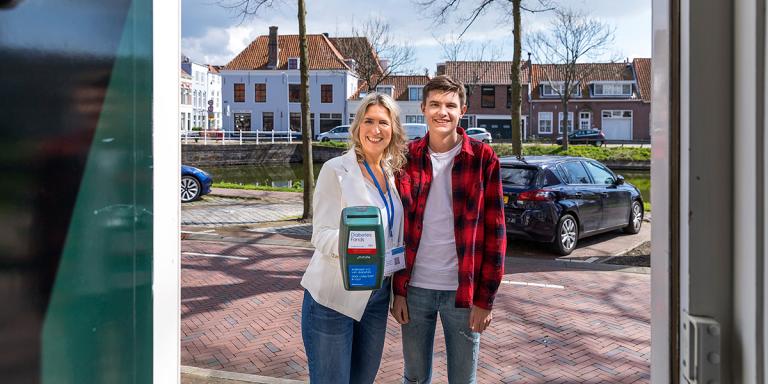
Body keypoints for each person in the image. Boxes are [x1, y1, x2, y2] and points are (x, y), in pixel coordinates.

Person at [391, 75, 507, 384]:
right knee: (414, 378)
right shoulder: (407, 157)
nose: (442, 112)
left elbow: (496, 232)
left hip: (463, 293)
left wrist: (485, 299)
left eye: (450, 106)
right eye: (435, 105)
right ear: (423, 109)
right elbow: (397, 228)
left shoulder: (483, 159)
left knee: (462, 380)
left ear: (463, 110)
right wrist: (398, 291)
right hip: (415, 289)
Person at [301, 92, 407, 384]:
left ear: (393, 129)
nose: (376, 130)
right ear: (358, 126)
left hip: (377, 296)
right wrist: (359, 246)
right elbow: (320, 236)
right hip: (333, 298)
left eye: (383, 123)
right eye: (369, 121)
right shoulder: (335, 170)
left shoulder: (392, 173)